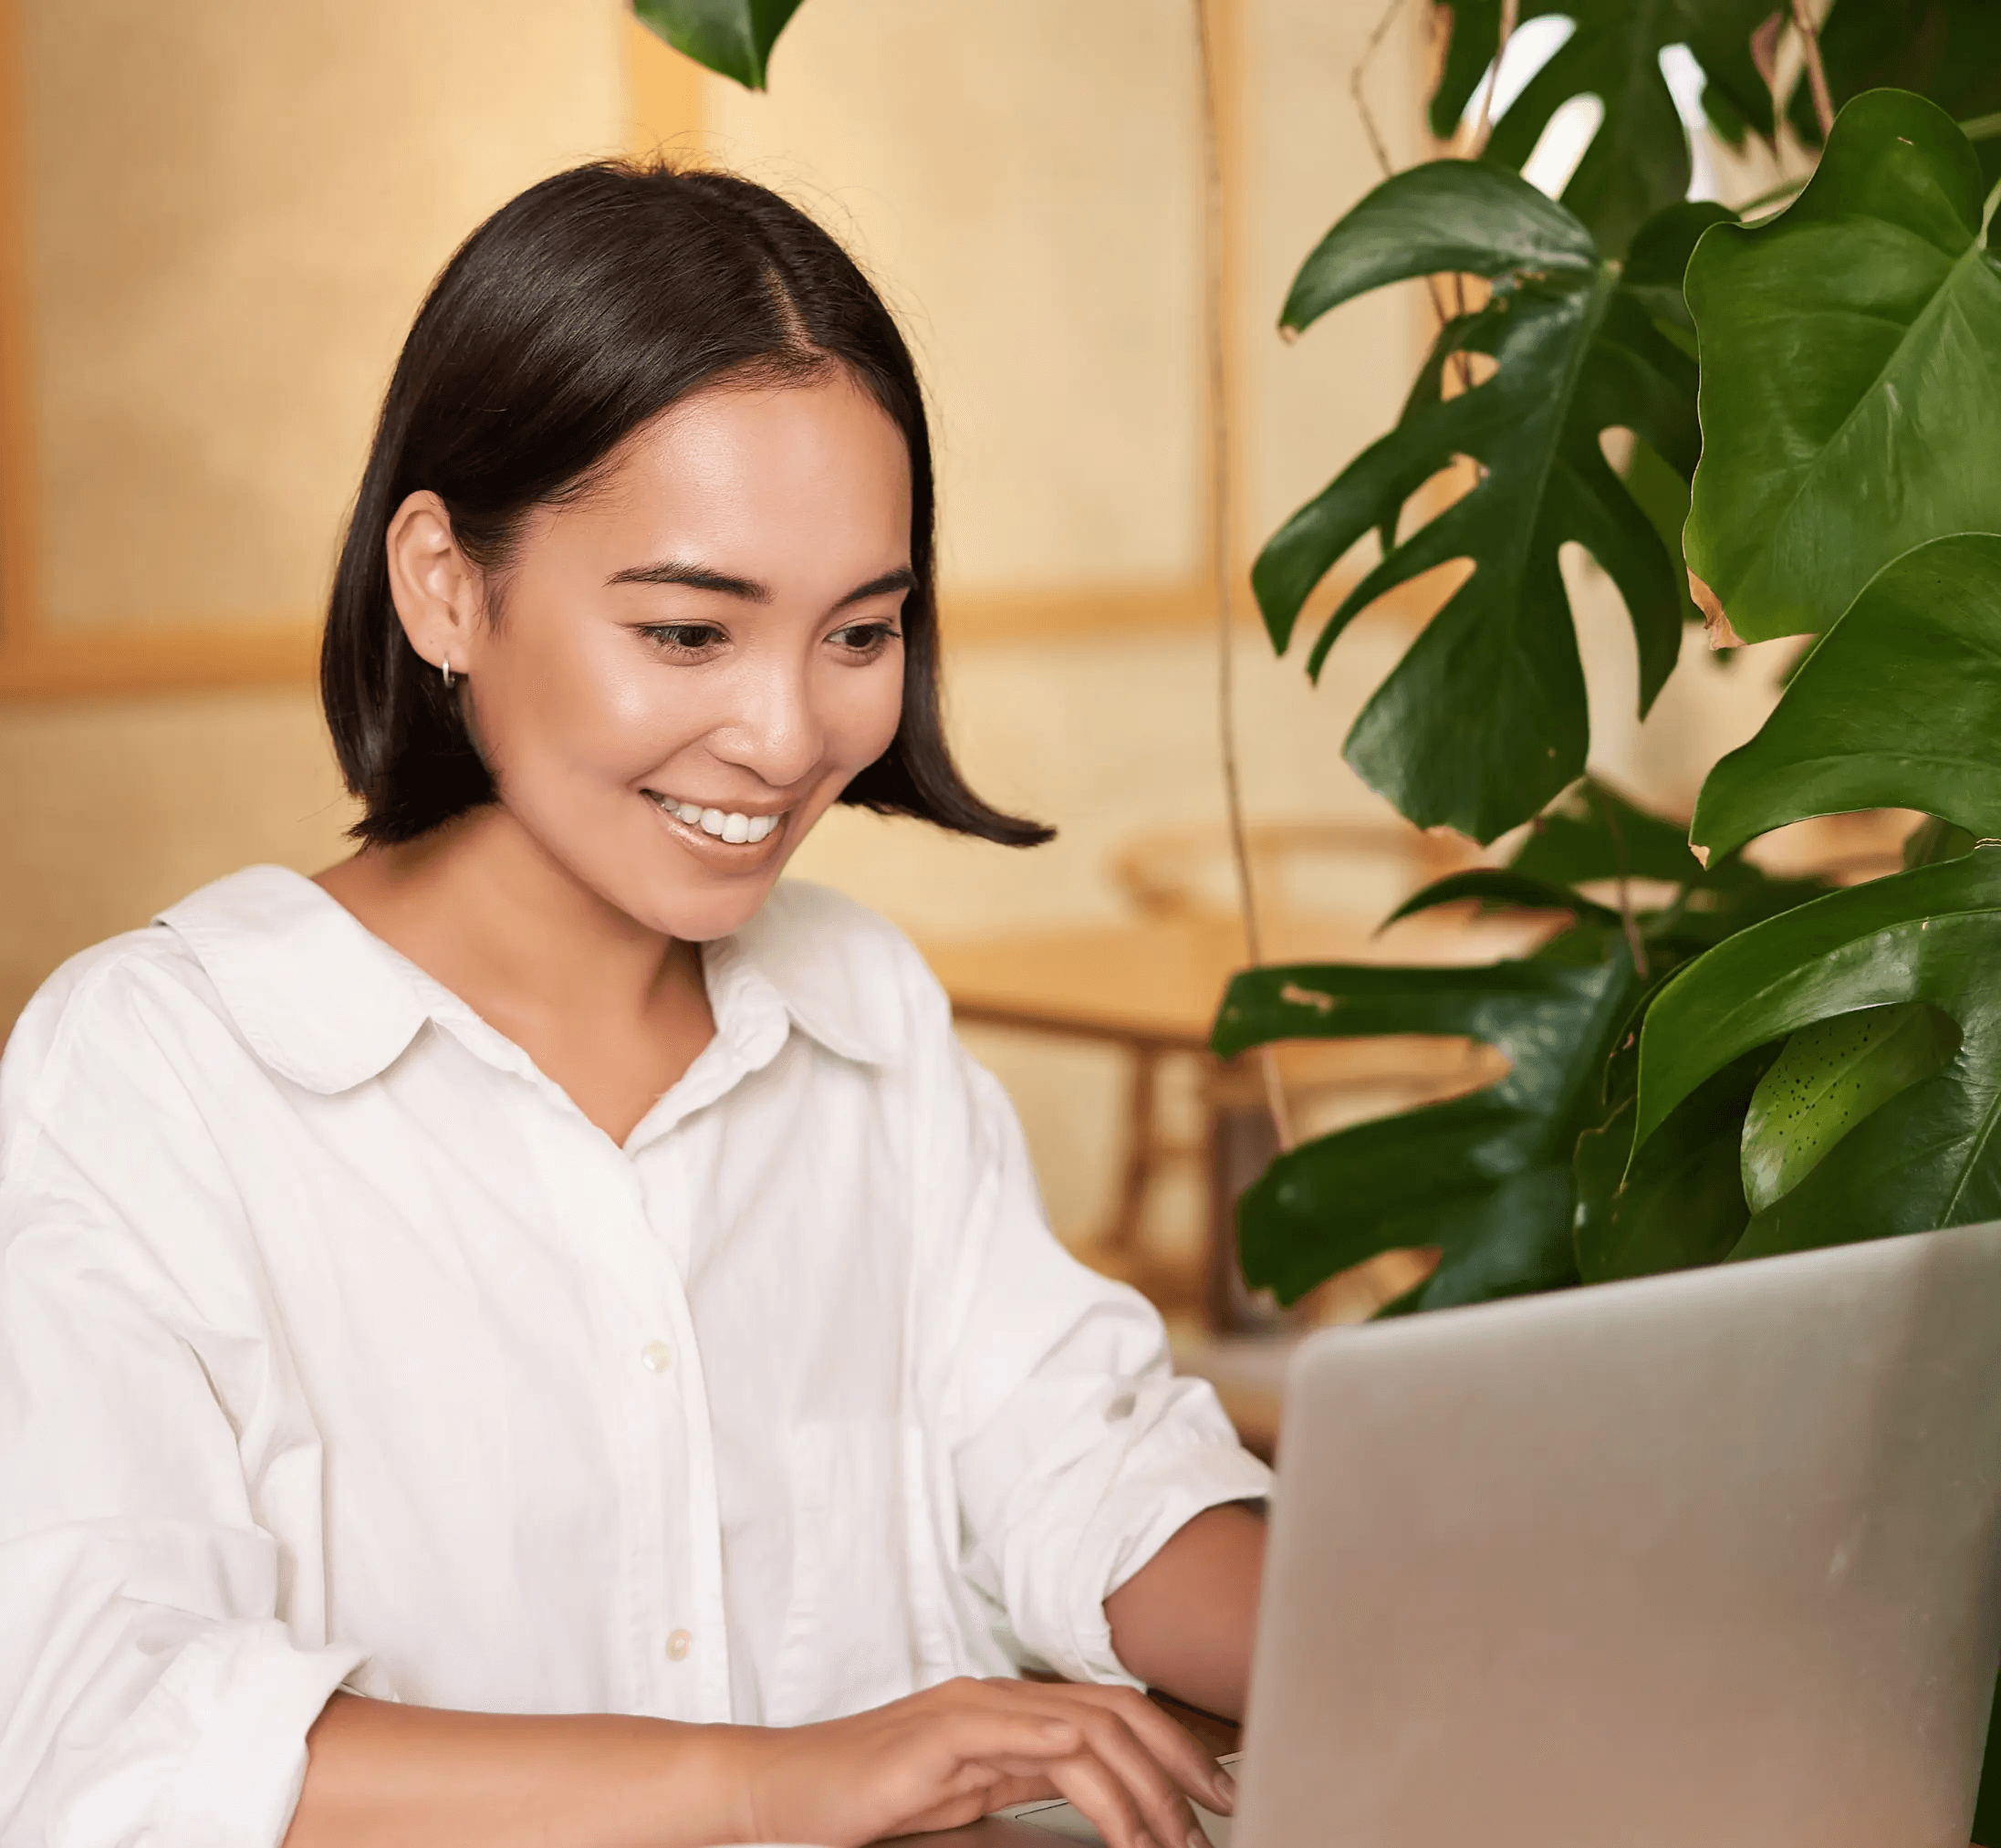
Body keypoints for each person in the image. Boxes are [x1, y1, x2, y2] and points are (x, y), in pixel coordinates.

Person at [0, 163, 1269, 1848]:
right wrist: (780, 1783)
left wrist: (1460, 1636)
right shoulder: (159, 1069)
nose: (787, 733)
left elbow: (1081, 1468)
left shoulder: (861, 1012)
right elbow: (112, 1740)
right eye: (688, 631)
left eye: (862, 631)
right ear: (446, 582)